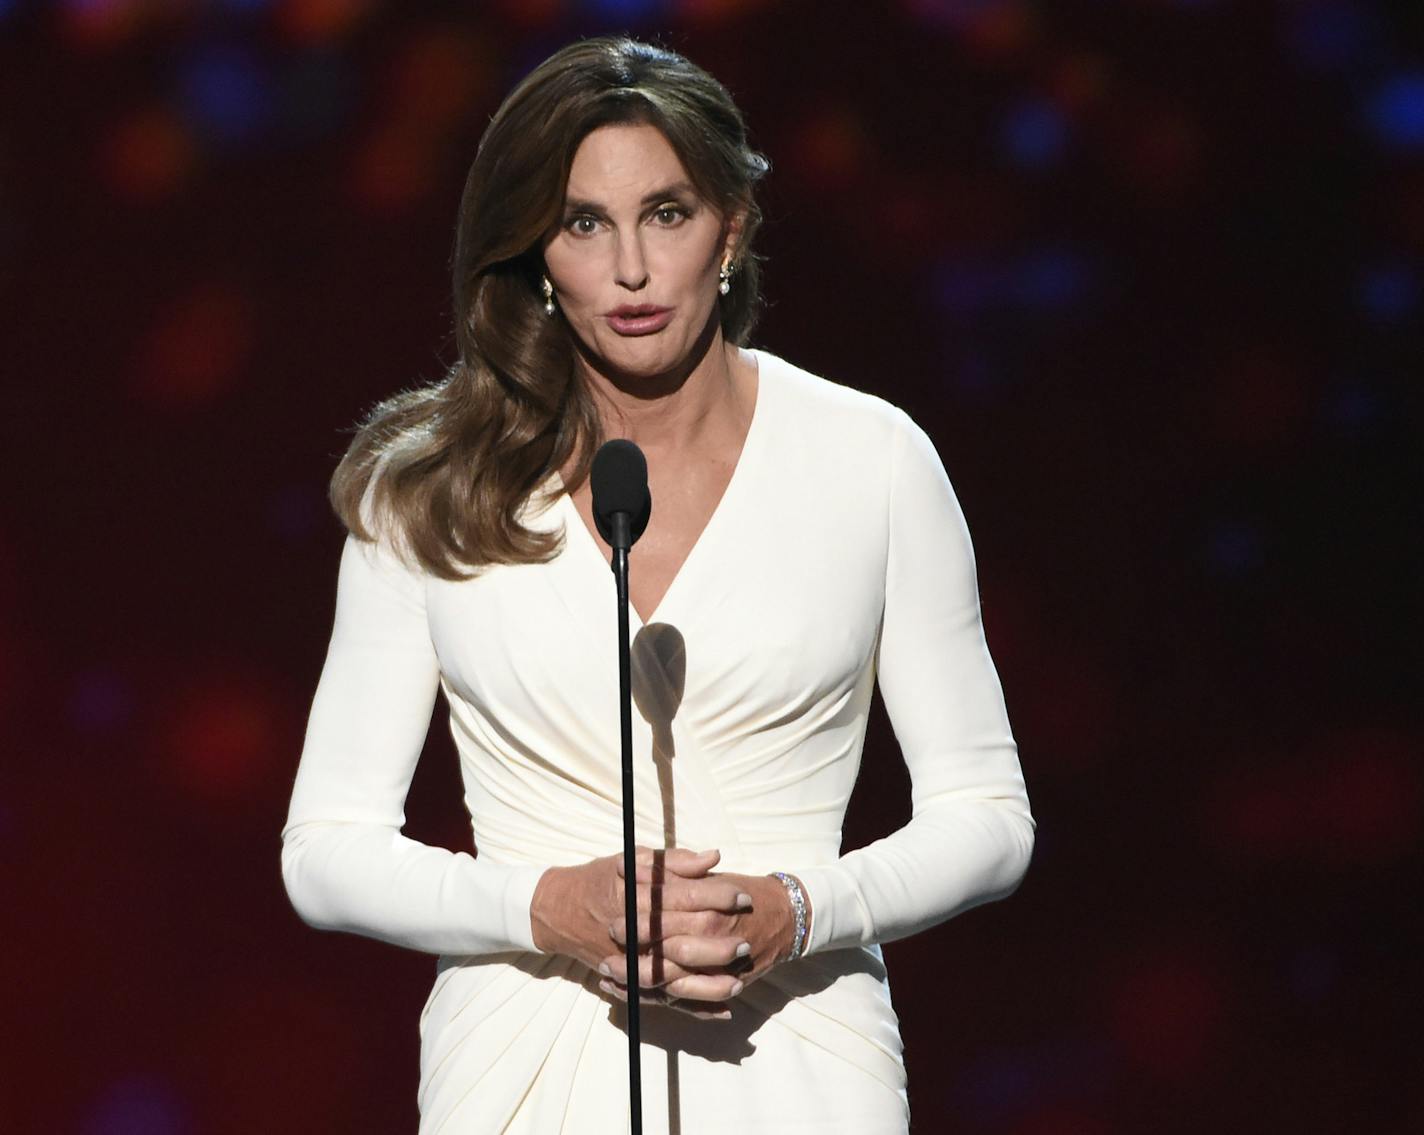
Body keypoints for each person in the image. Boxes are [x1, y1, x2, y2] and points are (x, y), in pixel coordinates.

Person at [280, 34, 1034, 1134]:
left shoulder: (870, 461)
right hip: (521, 1071)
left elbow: (988, 819)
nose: (629, 270)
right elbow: (324, 852)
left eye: (666, 215)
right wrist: (543, 906)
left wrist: (802, 907)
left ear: (730, 228)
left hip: (804, 1062)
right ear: (538, 248)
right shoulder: (430, 488)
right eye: (585, 223)